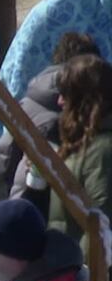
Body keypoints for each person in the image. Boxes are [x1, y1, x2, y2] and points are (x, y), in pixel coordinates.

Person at [0, 33, 99, 210]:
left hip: (22, 205)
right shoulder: (69, 116)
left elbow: (5, 154)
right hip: (47, 211)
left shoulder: (28, 100)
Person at [48, 55, 112, 256]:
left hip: (86, 275)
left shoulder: (102, 152)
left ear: (84, 100)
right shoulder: (84, 144)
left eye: (66, 95)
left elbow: (99, 226)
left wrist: (83, 280)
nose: (59, 101)